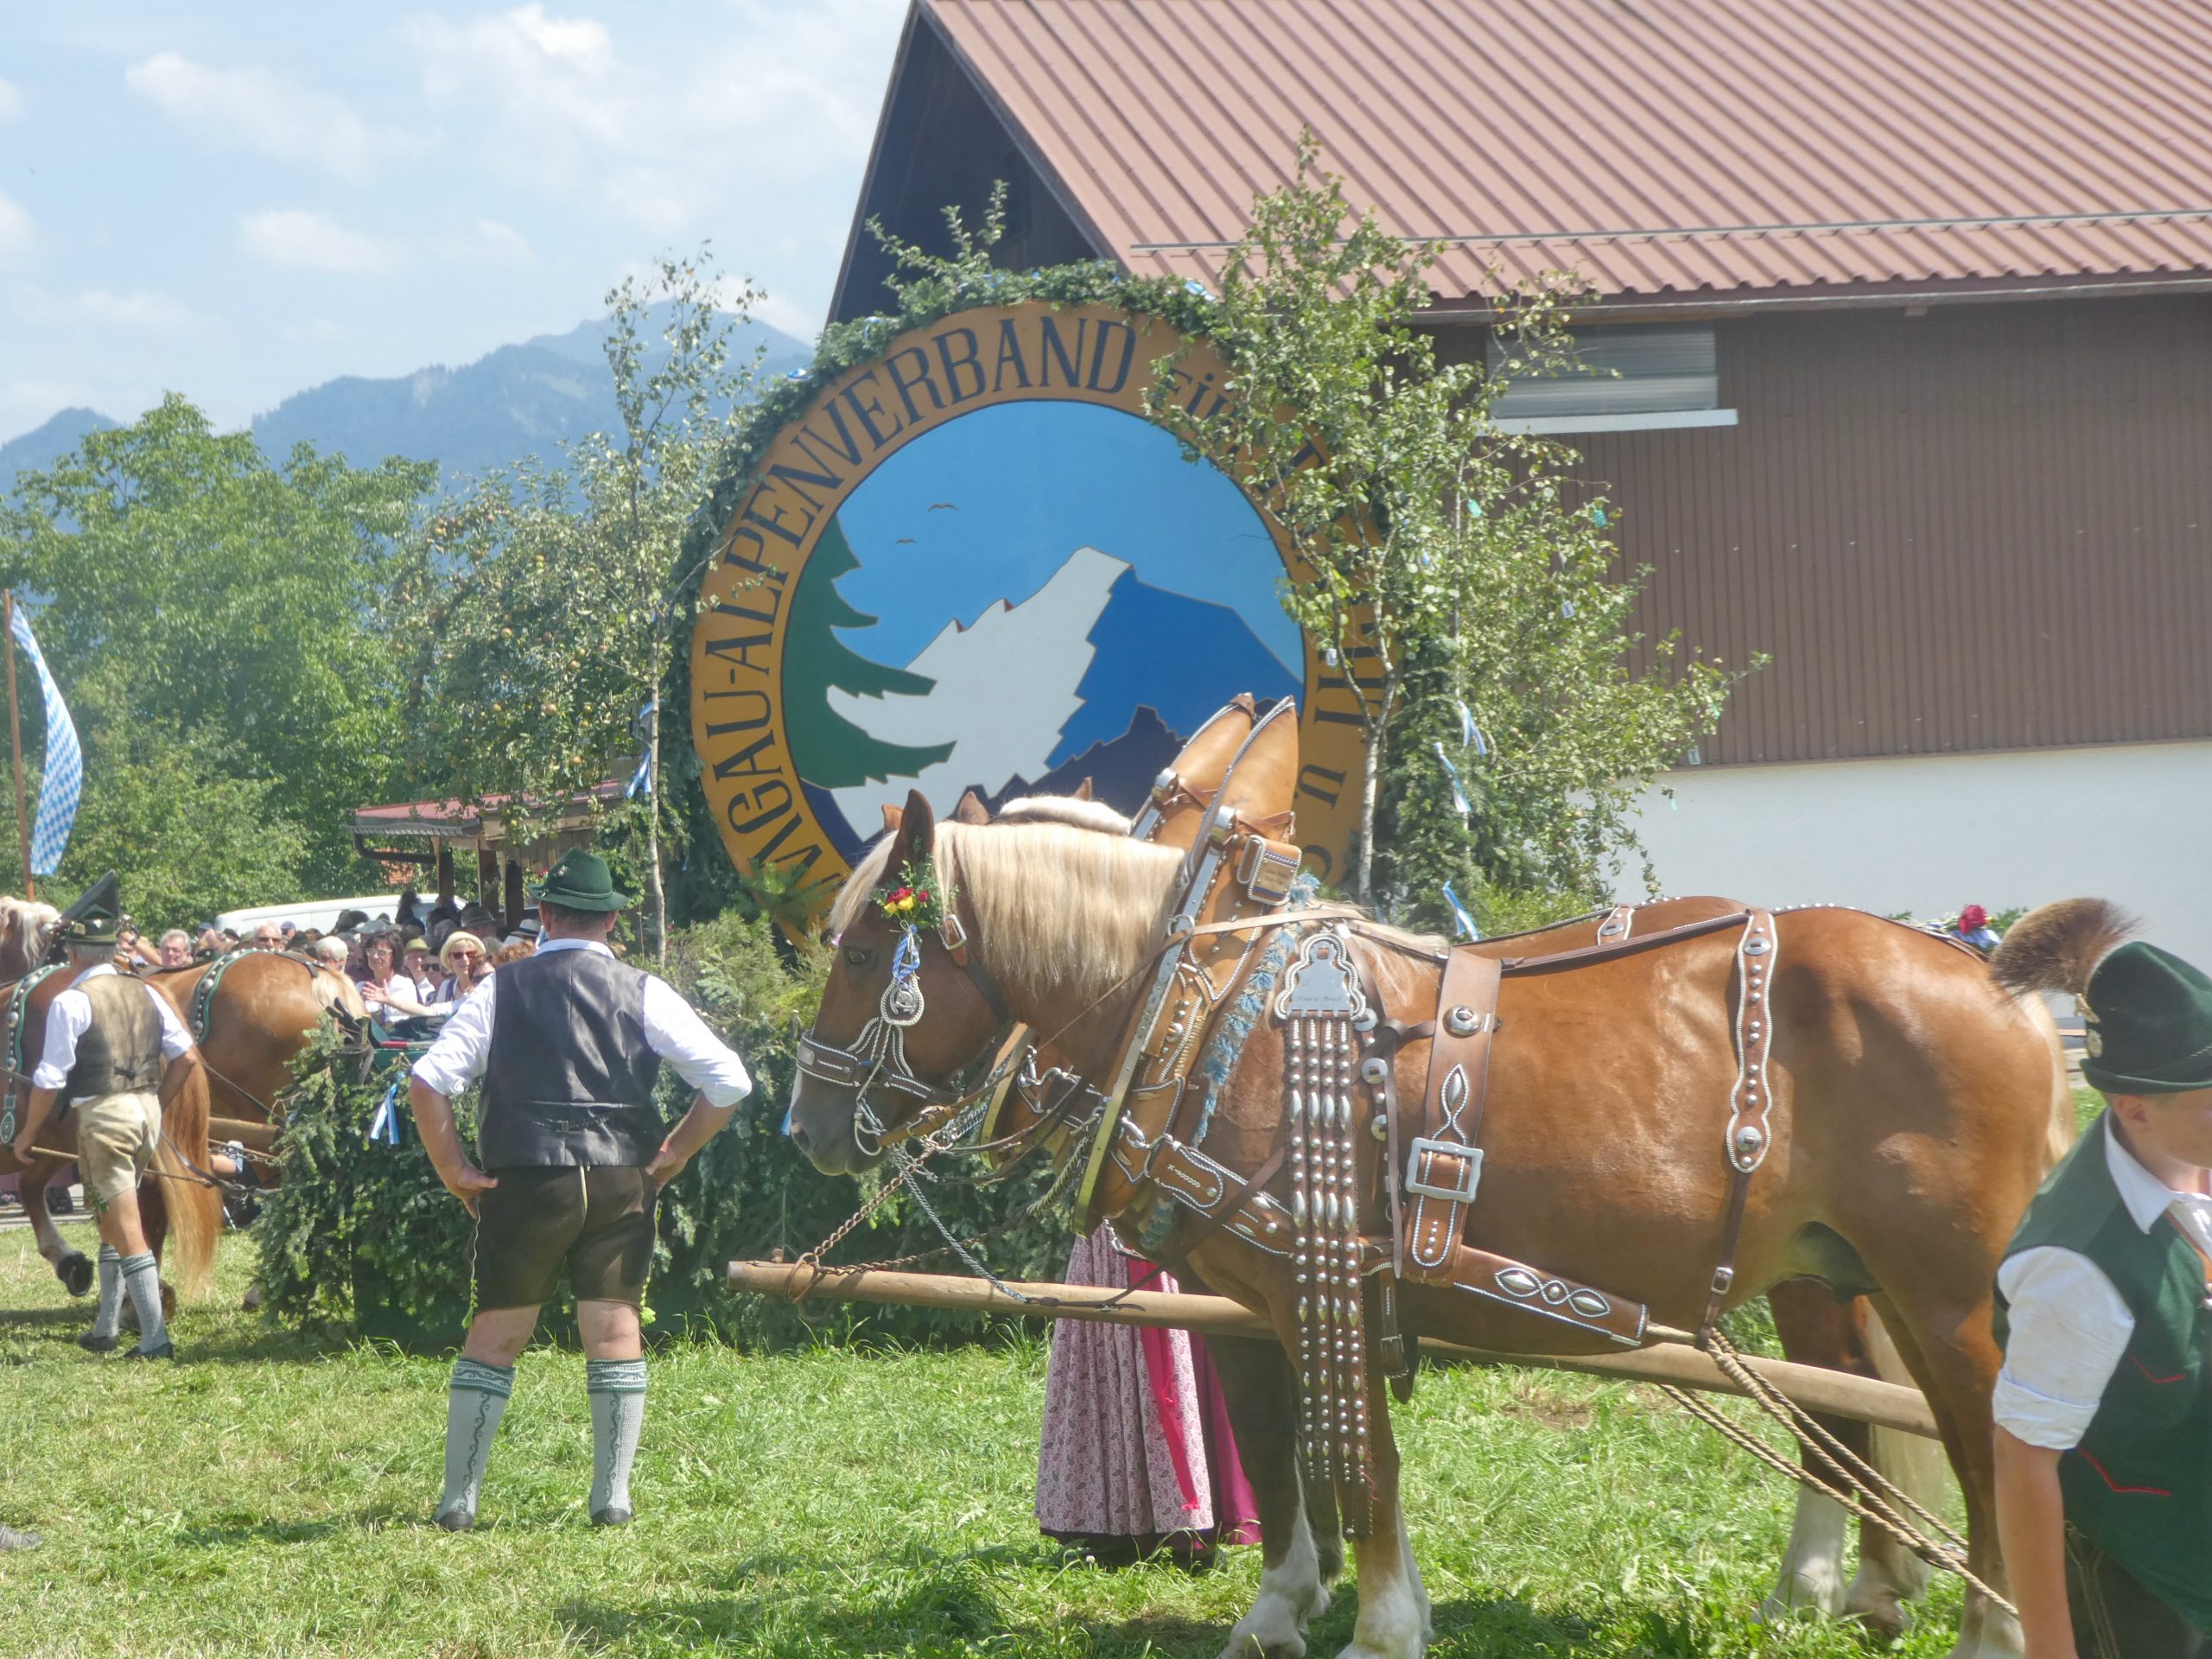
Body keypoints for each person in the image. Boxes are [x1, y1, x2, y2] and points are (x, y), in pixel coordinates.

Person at [407, 849, 752, 1532]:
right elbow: (730, 1081)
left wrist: (453, 1168)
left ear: (543, 914)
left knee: (497, 1334)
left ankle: (459, 1502)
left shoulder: (500, 989)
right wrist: (677, 1150)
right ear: (613, 920)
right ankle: (611, 1499)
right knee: (617, 1330)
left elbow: (428, 1080)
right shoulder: (644, 989)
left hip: (527, 1179)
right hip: (623, 1177)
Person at [1993, 929, 2212, 1656]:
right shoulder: (2078, 1267)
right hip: (2141, 1582)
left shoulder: (2189, 1147)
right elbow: (2024, 1461)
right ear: (2135, 1109)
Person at [8, 897, 201, 1360]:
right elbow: (188, 1058)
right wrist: (157, 1104)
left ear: (74, 954)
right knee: (108, 1217)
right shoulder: (148, 992)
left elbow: (49, 1079)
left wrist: (28, 1134)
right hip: (145, 1114)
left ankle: (155, 1339)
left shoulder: (71, 1001)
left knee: (126, 1228)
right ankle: (106, 1326)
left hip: (105, 1119)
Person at [1036, 1232, 1261, 1564]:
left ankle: (1192, 1529)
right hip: (1108, 1244)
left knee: (1176, 1371)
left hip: (1167, 1239)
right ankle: (1119, 1532)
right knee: (1110, 1364)